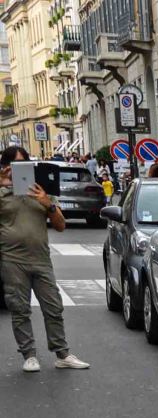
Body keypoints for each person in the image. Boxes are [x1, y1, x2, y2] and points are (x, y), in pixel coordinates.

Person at [0, 146, 89, 372]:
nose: (16, 172)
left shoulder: (41, 191)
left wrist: (46, 203)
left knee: (53, 307)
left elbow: (60, 226)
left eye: (22, 165)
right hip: (12, 259)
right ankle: (28, 355)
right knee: (19, 309)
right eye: (11, 167)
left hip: (40, 258)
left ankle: (62, 354)